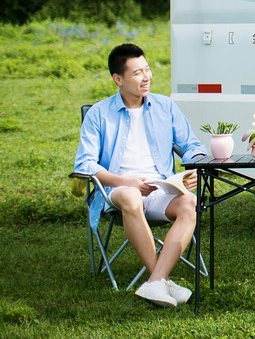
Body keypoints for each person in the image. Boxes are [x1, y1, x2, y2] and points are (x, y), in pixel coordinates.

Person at [74, 43, 207, 308]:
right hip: (118, 191)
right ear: (118, 79)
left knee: (189, 203)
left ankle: (156, 281)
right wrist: (128, 181)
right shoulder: (99, 114)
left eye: (147, 70)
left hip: (161, 188)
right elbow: (85, 164)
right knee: (132, 196)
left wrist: (193, 168)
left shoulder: (165, 107)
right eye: (137, 73)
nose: (146, 77)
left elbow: (193, 146)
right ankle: (161, 281)